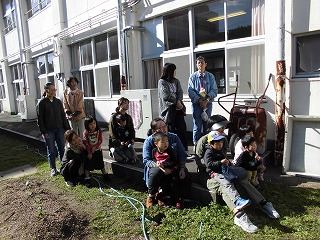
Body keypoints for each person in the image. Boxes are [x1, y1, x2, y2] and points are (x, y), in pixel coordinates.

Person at [204, 132, 280, 234]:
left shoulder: (220, 150)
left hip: (225, 171)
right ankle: (240, 216)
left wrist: (229, 164)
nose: (221, 144)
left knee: (241, 180)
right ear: (211, 143)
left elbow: (225, 161)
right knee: (226, 186)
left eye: (221, 142)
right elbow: (207, 164)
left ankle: (263, 203)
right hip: (214, 176)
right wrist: (220, 163)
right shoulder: (207, 150)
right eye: (218, 143)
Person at [143, 118, 191, 209]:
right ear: (154, 131)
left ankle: (174, 197)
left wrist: (181, 168)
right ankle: (151, 196)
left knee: (185, 177)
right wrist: (159, 166)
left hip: (173, 165)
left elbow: (181, 154)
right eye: (160, 128)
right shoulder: (149, 141)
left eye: (165, 126)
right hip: (157, 167)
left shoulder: (174, 137)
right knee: (156, 173)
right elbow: (146, 160)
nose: (164, 129)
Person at [37, 82, 70, 176]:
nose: (53, 92)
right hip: (49, 131)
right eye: (51, 90)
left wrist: (67, 128)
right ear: (46, 90)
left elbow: (63, 116)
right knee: (51, 150)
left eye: (54, 90)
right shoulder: (42, 103)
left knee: (62, 149)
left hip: (60, 129)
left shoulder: (58, 102)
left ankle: (63, 167)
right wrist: (44, 132)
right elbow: (40, 119)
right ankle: (53, 168)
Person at [188, 56, 218, 149]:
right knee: (197, 125)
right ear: (196, 65)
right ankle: (196, 145)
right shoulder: (193, 77)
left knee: (207, 125)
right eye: (198, 63)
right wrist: (199, 100)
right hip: (197, 104)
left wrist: (207, 100)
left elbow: (214, 90)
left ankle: (207, 143)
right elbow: (190, 91)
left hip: (208, 104)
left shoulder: (210, 76)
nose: (200, 64)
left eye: (202, 62)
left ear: (206, 64)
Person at [158, 63, 189, 155]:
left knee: (182, 128)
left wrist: (179, 100)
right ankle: (172, 151)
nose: (175, 72)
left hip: (178, 109)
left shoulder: (176, 81)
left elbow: (180, 92)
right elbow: (165, 95)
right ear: (170, 71)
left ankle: (184, 150)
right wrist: (176, 102)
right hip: (169, 109)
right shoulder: (162, 81)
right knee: (170, 130)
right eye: (174, 70)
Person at [149, 132, 180, 207]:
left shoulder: (169, 151)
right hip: (161, 170)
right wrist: (157, 163)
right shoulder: (154, 151)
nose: (166, 144)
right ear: (156, 143)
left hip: (171, 170)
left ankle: (177, 199)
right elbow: (153, 159)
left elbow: (174, 162)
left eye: (167, 141)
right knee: (162, 183)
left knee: (172, 183)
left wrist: (165, 165)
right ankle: (159, 197)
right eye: (163, 142)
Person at [83, 115, 110, 183]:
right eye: (90, 124)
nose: (93, 125)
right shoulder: (86, 133)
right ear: (87, 125)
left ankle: (105, 174)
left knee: (100, 162)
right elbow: (86, 143)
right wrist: (89, 152)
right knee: (89, 164)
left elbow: (100, 140)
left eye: (94, 123)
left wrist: (96, 146)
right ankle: (87, 177)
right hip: (90, 151)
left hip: (98, 150)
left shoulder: (98, 131)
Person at [109, 97, 136, 162]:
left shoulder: (128, 117)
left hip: (126, 142)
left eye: (128, 103)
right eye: (125, 103)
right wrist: (118, 143)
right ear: (120, 105)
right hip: (117, 143)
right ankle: (112, 151)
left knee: (130, 157)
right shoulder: (114, 117)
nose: (127, 105)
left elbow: (132, 130)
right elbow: (112, 133)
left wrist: (130, 140)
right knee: (120, 159)